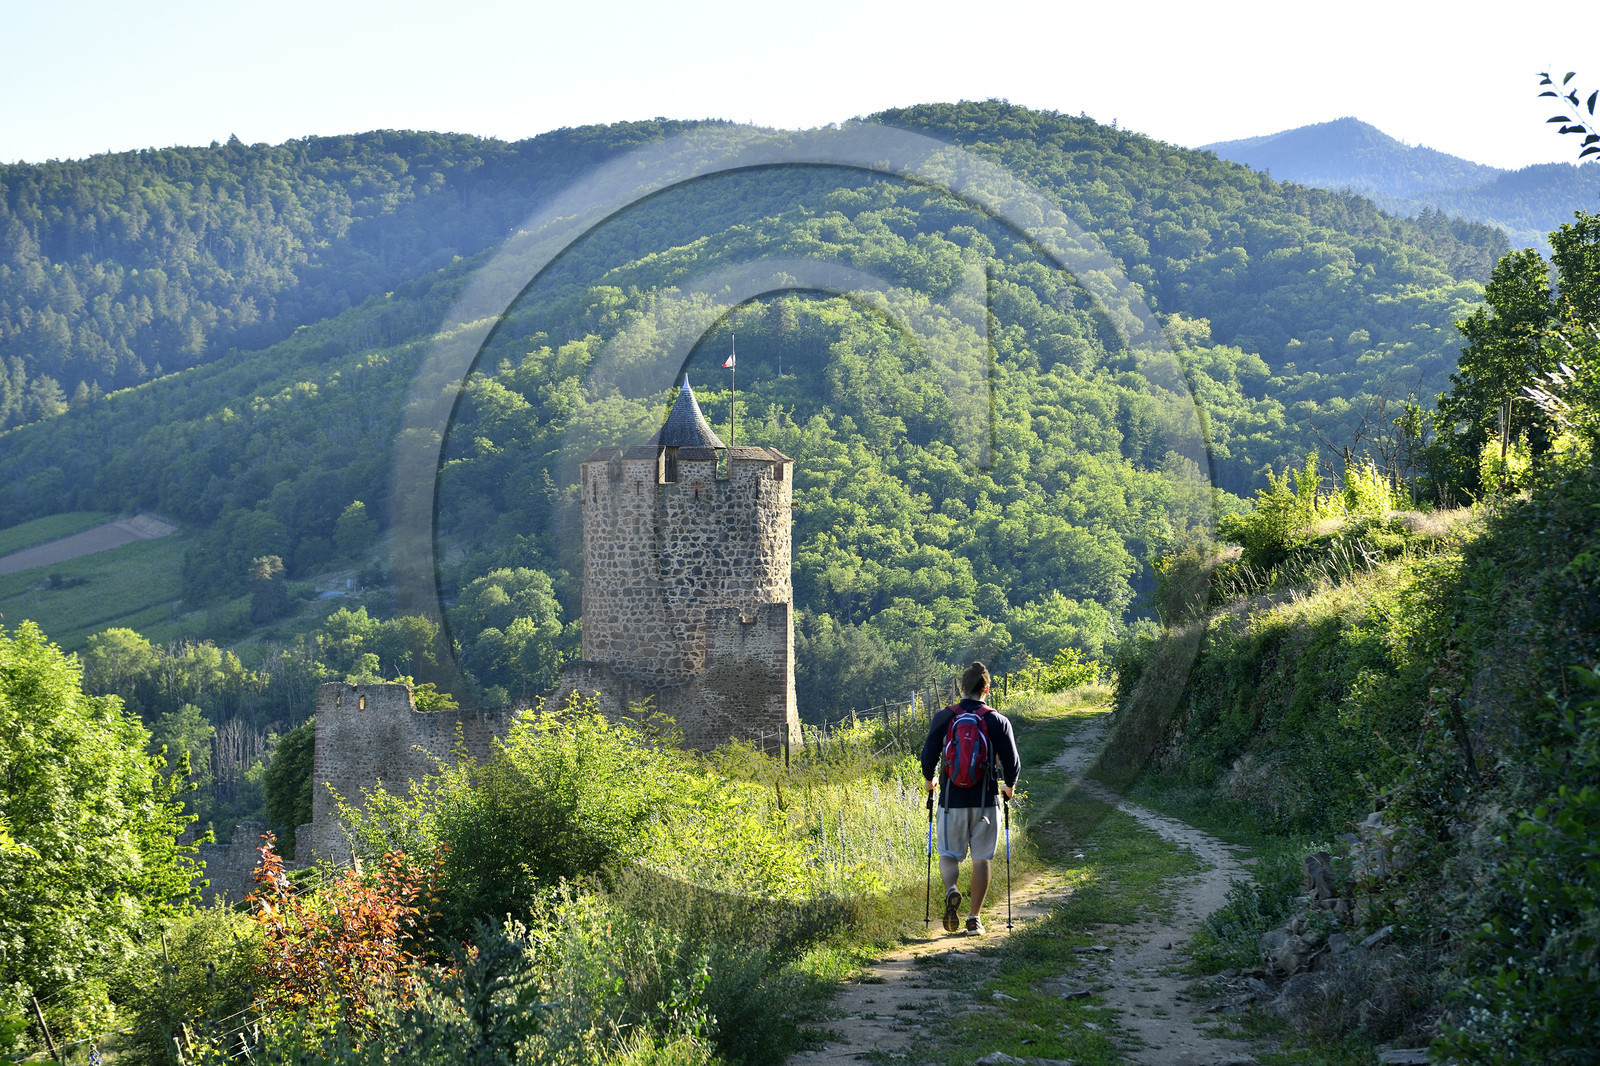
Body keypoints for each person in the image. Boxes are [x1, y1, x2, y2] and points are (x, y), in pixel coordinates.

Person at [921, 660, 1020, 935]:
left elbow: (928, 755)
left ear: (961, 688)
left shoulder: (945, 717)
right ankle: (974, 919)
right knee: (981, 859)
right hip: (986, 802)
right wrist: (1009, 786)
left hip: (952, 801)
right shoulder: (997, 720)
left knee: (948, 855)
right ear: (986, 689)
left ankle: (952, 889)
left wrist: (930, 781)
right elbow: (1012, 761)